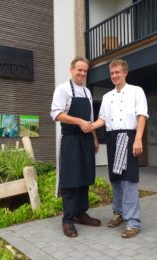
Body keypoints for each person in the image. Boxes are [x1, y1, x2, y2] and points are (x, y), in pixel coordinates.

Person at [90, 59, 149, 238]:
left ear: (125, 73)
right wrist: (91, 126)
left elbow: (142, 116)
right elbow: (103, 119)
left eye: (117, 72)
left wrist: (138, 139)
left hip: (129, 137)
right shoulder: (107, 97)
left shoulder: (136, 91)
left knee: (129, 179)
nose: (114, 75)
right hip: (113, 138)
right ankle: (118, 213)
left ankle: (133, 222)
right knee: (115, 178)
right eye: (112, 73)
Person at [50, 56, 101, 238]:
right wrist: (78, 121)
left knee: (85, 177)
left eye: (85, 71)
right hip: (70, 139)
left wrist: (94, 138)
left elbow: (91, 120)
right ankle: (68, 219)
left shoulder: (87, 92)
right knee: (71, 178)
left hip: (86, 139)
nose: (82, 73)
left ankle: (81, 213)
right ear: (71, 70)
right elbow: (56, 114)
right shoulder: (63, 89)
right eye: (79, 70)